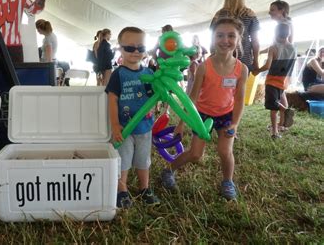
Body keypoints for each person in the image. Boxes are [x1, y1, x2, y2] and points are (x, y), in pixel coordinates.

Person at [162, 18, 248, 200]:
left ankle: (228, 181)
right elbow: (191, 98)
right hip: (202, 116)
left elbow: (240, 99)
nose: (225, 40)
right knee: (195, 154)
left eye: (231, 35)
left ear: (239, 39)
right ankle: (168, 170)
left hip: (226, 115)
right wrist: (181, 124)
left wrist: (235, 123)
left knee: (225, 151)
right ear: (213, 38)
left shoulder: (242, 69)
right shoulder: (203, 67)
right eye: (220, 35)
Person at [106, 26, 159, 208]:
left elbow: (155, 96)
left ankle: (145, 188)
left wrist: (155, 106)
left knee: (143, 160)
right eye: (130, 48)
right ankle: (122, 190)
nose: (136, 52)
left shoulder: (149, 74)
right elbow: (112, 100)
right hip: (124, 128)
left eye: (140, 48)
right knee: (124, 160)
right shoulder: (118, 74)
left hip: (145, 127)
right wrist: (114, 125)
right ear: (120, 49)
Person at [253, 23, 297, 138]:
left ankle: (275, 132)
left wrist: (257, 70)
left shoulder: (274, 48)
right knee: (278, 100)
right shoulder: (293, 48)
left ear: (276, 33)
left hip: (273, 80)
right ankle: (281, 123)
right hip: (285, 81)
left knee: (273, 106)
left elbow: (267, 66)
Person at [211, 0, 260, 72]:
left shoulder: (219, 14)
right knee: (241, 83)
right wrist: (256, 61)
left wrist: (212, 54)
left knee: (219, 83)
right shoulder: (250, 15)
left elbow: (213, 37)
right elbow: (255, 41)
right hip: (244, 58)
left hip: (221, 56)